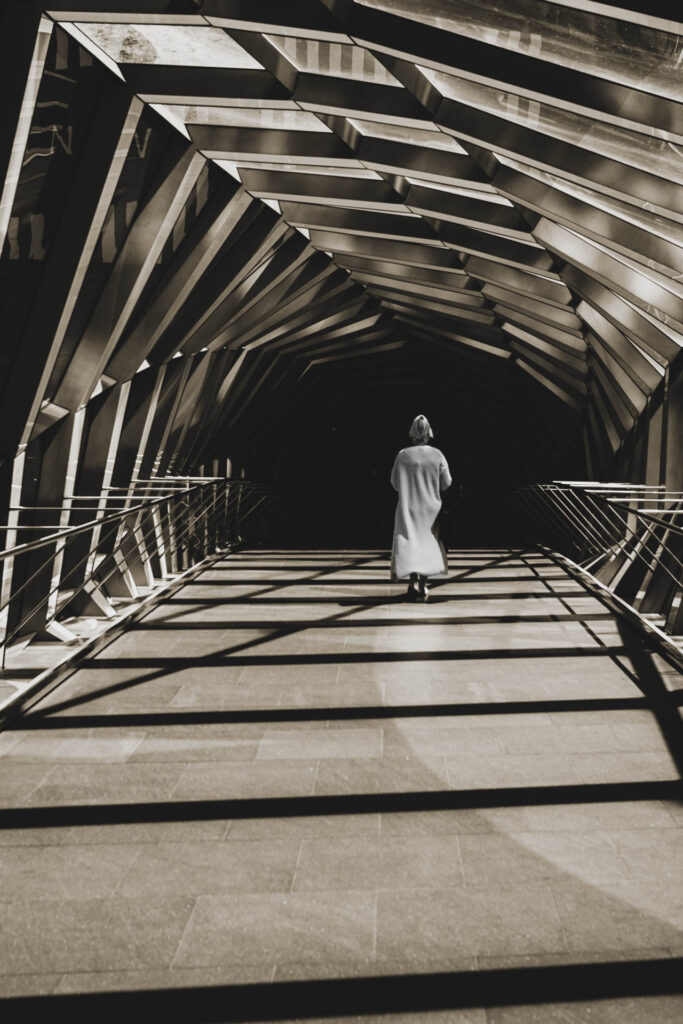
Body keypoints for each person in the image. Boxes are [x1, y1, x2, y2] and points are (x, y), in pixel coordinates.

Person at [390, 414, 452, 601]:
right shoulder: (437, 455)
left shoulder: (402, 455)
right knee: (427, 544)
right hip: (430, 509)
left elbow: (394, 483)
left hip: (407, 507)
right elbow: (446, 483)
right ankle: (423, 585)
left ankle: (412, 582)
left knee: (410, 543)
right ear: (429, 432)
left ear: (412, 431)